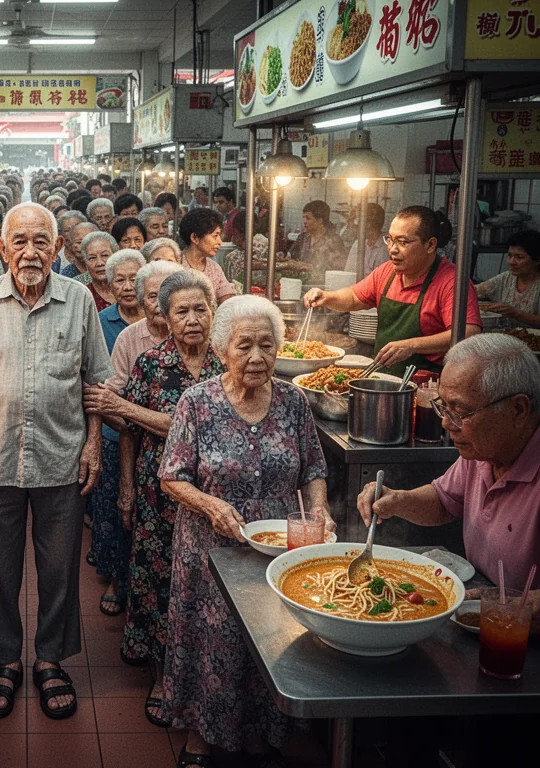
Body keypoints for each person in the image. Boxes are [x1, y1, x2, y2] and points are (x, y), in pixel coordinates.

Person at [0, 201, 114, 721]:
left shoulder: (79, 301)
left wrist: (93, 445)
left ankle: (50, 659)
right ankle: (3, 659)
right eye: (19, 241)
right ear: (0, 248)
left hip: (61, 456)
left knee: (59, 567)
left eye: (41, 241)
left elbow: (95, 384)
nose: (30, 251)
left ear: (58, 248)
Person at [159, 296, 333, 765]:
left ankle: (260, 735)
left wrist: (321, 512)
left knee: (270, 638)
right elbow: (172, 475)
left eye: (266, 345)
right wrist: (211, 504)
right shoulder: (197, 402)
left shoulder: (294, 400)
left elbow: (313, 468)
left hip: (278, 549)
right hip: (211, 549)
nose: (257, 357)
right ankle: (199, 736)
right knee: (212, 639)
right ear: (221, 350)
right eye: (244, 346)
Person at [93, 270, 227, 728]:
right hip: (158, 487)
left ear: (214, 314)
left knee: (207, 582)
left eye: (200, 309)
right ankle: (160, 675)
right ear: (165, 318)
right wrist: (127, 487)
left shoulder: (225, 365)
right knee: (156, 576)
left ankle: (205, 670)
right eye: (181, 311)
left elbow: (135, 414)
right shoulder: (150, 364)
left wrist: (128, 410)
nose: (193, 319)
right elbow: (128, 432)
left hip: (213, 495)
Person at [357, 333, 540, 610]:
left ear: (517, 409)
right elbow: (444, 502)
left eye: (460, 411)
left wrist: (521, 608)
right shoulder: (483, 452)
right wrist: (396, 500)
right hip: (480, 610)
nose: (446, 424)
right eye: (444, 406)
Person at [304, 205, 483, 375]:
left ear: (430, 245)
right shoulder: (387, 272)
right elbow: (353, 297)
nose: (392, 249)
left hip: (428, 384)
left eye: (403, 242)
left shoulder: (452, 282)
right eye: (390, 239)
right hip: (382, 377)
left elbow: (468, 333)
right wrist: (326, 297)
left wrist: (411, 345)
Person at [86, 248, 146, 609]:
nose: (126, 287)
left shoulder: (164, 319)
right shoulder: (101, 321)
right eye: (119, 280)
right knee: (113, 509)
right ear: (108, 284)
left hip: (150, 431)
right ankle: (112, 579)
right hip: (113, 427)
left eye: (133, 280)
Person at [476, 229, 540, 329]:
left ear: (536, 260)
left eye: (519, 257)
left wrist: (516, 313)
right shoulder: (507, 278)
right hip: (506, 338)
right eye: (509, 255)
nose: (511, 262)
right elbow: (474, 290)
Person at [179, 208, 237, 303]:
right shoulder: (175, 264)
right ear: (195, 238)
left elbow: (227, 299)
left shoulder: (214, 269)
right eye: (215, 236)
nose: (219, 241)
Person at [289, 200, 346, 280]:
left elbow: (337, 269)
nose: (304, 221)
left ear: (320, 221)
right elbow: (291, 257)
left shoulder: (334, 241)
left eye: (308, 218)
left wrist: (308, 266)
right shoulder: (302, 238)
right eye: (303, 217)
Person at [342, 202, 389, 277]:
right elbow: (348, 275)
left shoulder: (388, 246)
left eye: (357, 222)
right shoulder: (358, 244)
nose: (355, 226)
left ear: (368, 224)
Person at [75, 231, 117, 311]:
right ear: (85, 263)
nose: (99, 263)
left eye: (105, 255)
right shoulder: (81, 295)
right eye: (92, 258)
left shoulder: (129, 289)